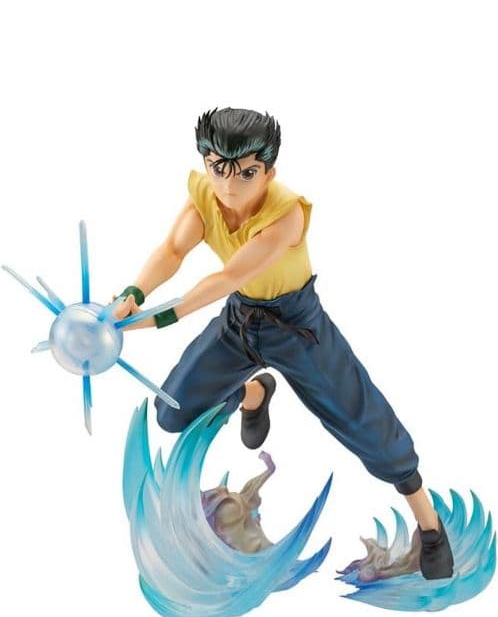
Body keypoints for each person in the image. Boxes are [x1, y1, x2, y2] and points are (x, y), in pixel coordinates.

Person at [114, 107, 454, 580]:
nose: (229, 185)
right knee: (172, 412)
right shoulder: (204, 198)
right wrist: (131, 295)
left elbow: (230, 275)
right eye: (218, 168)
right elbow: (172, 251)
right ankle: (254, 392)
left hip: (297, 327)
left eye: (246, 173)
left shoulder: (286, 214)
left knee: (365, 423)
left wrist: (154, 320)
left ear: (268, 172)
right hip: (239, 321)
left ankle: (430, 526)